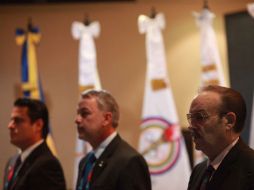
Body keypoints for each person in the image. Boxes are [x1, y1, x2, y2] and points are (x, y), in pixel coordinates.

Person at [75, 89, 151, 190]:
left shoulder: (130, 161)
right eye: (78, 114)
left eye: (85, 113)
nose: (77, 119)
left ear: (106, 119)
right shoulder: (85, 162)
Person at [187, 85, 254, 190]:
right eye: (191, 118)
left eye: (200, 117)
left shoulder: (250, 169)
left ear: (229, 121)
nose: (191, 126)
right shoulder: (198, 171)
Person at [3, 98, 66, 190]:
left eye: (17, 120)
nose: (10, 126)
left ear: (38, 125)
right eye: (11, 120)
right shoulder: (12, 161)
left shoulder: (47, 165)